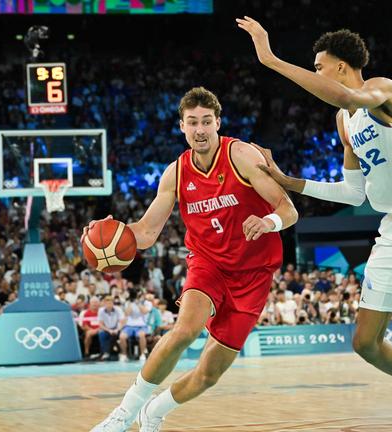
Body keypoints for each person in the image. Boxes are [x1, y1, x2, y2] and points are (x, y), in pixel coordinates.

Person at [239, 19, 392, 431]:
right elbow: (354, 193)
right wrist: (291, 182)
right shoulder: (344, 122)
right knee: (365, 342)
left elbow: (347, 95)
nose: (316, 73)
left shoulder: (385, 92)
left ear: (343, 67)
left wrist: (272, 61)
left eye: (319, 66)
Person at [90, 87, 298, 431]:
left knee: (208, 374)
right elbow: (145, 233)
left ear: (217, 123)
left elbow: (288, 210)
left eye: (206, 121)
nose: (199, 129)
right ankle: (124, 415)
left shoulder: (242, 156)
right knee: (185, 329)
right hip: (208, 263)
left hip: (254, 274)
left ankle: (155, 410)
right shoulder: (176, 172)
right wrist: (108, 234)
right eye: (192, 122)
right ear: (182, 127)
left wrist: (267, 222)